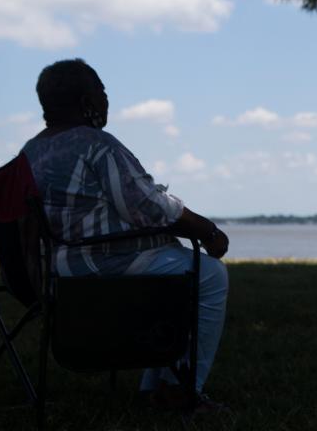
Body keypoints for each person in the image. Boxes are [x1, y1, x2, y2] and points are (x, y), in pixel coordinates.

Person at [22, 58, 230, 412]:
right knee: (209, 274)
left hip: (55, 272)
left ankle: (156, 387)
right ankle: (181, 391)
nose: (106, 100)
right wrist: (207, 230)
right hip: (98, 269)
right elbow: (149, 205)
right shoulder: (96, 145)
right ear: (87, 100)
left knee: (175, 263)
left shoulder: (30, 152)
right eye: (102, 92)